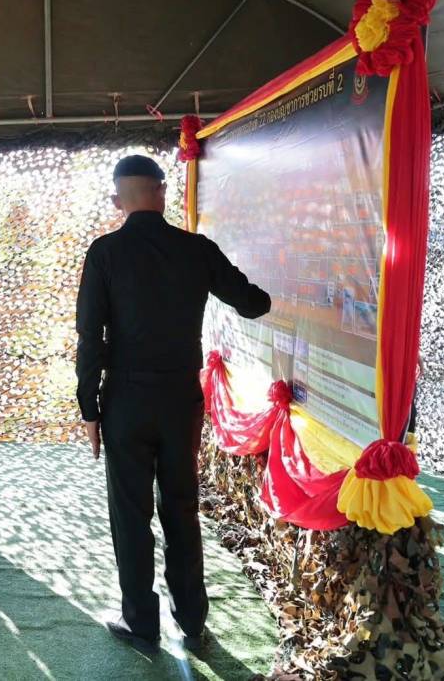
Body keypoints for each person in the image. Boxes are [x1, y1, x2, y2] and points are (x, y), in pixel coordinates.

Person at [75, 154, 272, 653]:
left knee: (130, 512)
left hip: (125, 397)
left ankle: (140, 621)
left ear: (118, 200)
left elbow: (90, 336)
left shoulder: (104, 253)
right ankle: (192, 619)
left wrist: (89, 408)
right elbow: (253, 303)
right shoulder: (196, 249)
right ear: (162, 192)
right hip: (182, 397)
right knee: (181, 506)